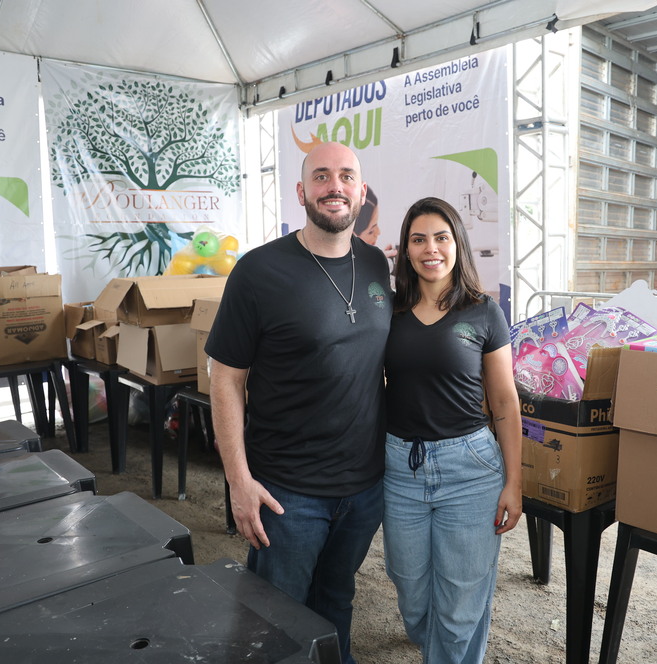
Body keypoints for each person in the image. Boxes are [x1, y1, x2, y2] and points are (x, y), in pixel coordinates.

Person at [204, 141, 392, 664]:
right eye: (321, 176)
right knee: (276, 620)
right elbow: (225, 381)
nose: (335, 187)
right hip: (287, 495)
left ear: (361, 191)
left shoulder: (376, 264)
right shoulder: (258, 271)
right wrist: (239, 483)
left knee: (336, 599)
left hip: (363, 489)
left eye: (346, 176)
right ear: (301, 191)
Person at [382, 196, 522, 664]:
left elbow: (504, 402)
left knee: (461, 603)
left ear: (458, 243)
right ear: (405, 250)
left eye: (441, 237)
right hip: (400, 468)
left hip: (471, 469)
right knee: (411, 590)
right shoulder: (389, 312)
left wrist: (514, 482)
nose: (431, 249)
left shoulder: (483, 311)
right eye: (418, 239)